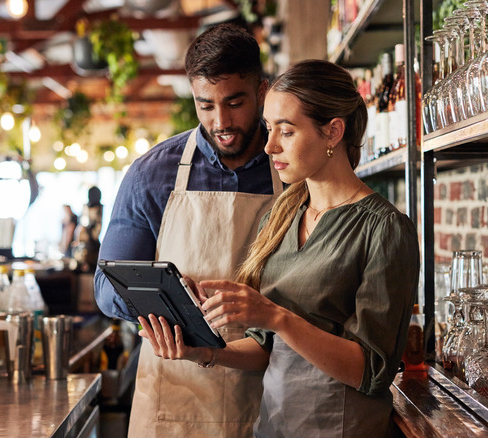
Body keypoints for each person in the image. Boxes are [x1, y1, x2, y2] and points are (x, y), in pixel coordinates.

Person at [139, 59, 420, 437]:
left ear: (333, 132)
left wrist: (276, 316)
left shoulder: (384, 228)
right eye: (269, 128)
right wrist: (202, 351)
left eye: (286, 131)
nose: (270, 145)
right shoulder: (283, 214)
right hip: (273, 426)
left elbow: (371, 372)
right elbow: (267, 348)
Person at [93, 24, 282, 437]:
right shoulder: (152, 174)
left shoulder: (290, 164)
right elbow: (106, 288)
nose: (222, 121)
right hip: (176, 399)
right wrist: (167, 298)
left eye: (234, 103)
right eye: (206, 105)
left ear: (262, 91)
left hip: (275, 395)